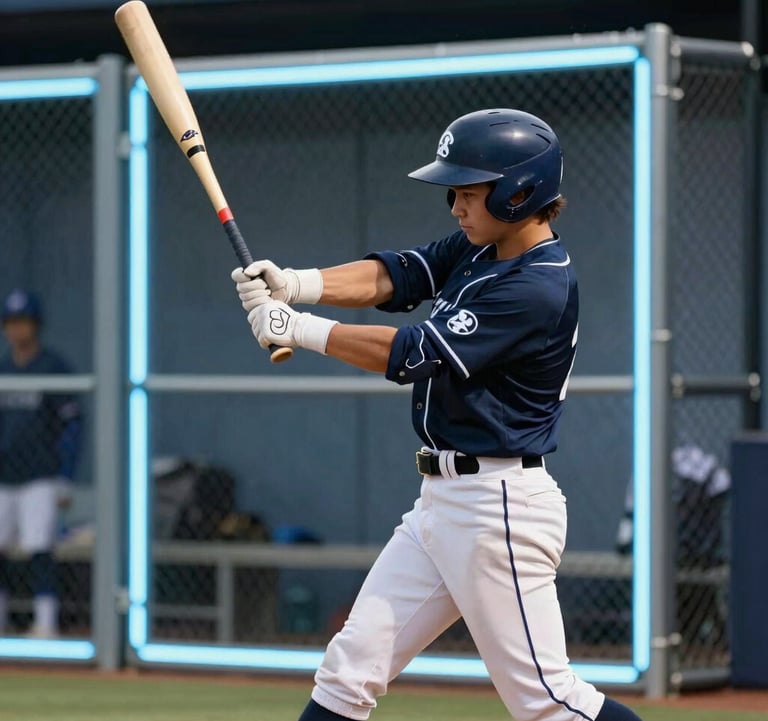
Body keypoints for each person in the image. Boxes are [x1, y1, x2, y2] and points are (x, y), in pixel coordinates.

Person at [232, 108, 644, 721]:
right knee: (348, 673)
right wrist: (299, 283)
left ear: (519, 192)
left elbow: (413, 352)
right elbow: (399, 275)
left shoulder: (538, 283)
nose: (455, 205)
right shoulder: (484, 249)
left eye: (469, 192)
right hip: (442, 504)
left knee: (548, 700)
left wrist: (301, 328)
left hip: (498, 506)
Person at [0, 289, 82, 638]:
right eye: (12, 323)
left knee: (40, 549)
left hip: (41, 476)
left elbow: (73, 425)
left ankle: (45, 623)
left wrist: (65, 476)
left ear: (37, 325)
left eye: (24, 322)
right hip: (4, 475)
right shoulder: (3, 367)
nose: (18, 330)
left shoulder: (54, 366)